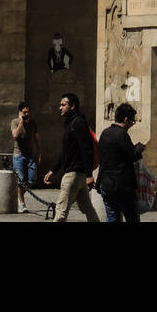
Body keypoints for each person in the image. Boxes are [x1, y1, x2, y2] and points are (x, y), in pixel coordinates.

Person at [43, 93, 101, 223]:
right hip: (78, 175)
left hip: (74, 175)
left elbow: (87, 150)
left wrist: (89, 175)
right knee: (88, 209)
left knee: (60, 212)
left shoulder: (78, 123)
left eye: (63, 105)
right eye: (60, 105)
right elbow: (65, 153)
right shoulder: (71, 124)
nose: (60, 107)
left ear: (72, 106)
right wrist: (54, 170)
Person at [96, 102, 146, 223]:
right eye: (132, 121)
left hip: (106, 183)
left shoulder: (105, 133)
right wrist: (139, 148)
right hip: (121, 185)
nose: (132, 124)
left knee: (112, 217)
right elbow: (132, 155)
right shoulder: (121, 134)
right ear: (125, 119)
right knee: (132, 217)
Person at [11, 101, 41, 214]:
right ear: (20, 112)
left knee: (31, 180)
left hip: (30, 155)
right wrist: (21, 122)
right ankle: (22, 203)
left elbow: (37, 138)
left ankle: (18, 195)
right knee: (21, 181)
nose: (27, 114)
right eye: (24, 112)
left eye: (28, 112)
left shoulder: (33, 123)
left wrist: (39, 152)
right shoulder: (14, 122)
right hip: (18, 155)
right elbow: (15, 135)